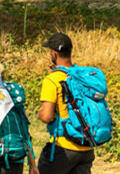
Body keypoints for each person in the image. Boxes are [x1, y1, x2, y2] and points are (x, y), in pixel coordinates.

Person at [37, 33, 95, 174]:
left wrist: (40, 112)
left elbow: (46, 116)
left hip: (64, 146)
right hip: (86, 146)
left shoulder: (52, 79)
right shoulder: (82, 76)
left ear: (54, 54)